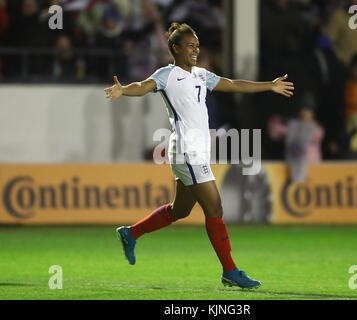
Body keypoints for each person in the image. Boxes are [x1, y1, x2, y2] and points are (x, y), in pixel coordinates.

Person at [104, 22, 294, 289]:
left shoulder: (201, 75)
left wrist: (269, 86)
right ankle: (230, 271)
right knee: (214, 207)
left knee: (178, 210)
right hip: (186, 150)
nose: (196, 49)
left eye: (197, 45)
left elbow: (233, 84)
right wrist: (124, 90)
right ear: (175, 48)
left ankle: (130, 233)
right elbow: (143, 85)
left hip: (197, 152)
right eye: (190, 45)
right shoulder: (167, 74)